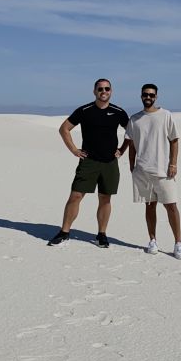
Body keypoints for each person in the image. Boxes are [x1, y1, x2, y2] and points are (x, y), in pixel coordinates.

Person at [47, 79, 129, 248]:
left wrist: (122, 149)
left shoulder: (118, 112)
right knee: (75, 196)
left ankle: (101, 234)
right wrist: (74, 150)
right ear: (94, 91)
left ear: (111, 91)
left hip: (110, 163)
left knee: (105, 199)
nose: (103, 91)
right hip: (89, 162)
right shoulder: (84, 111)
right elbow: (64, 129)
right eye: (100, 89)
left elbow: (132, 133)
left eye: (107, 88)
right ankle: (64, 232)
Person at [125, 84, 181, 259]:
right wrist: (131, 165)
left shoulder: (165, 115)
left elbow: (174, 140)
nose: (148, 97)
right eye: (145, 94)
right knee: (149, 206)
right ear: (141, 96)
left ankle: (178, 243)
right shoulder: (134, 119)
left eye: (151, 94)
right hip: (142, 170)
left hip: (163, 170)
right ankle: (152, 240)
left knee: (171, 206)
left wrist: (173, 164)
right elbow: (131, 144)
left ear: (156, 96)